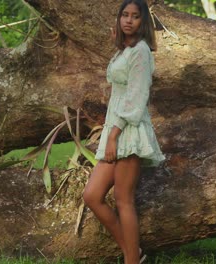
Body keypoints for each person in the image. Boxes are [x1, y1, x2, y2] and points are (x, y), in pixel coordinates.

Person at [83, 0, 165, 263]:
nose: (129, 20)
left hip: (128, 130)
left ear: (143, 22)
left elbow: (136, 97)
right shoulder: (126, 50)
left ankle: (131, 260)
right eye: (125, 15)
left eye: (135, 16)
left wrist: (114, 136)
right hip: (114, 127)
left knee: (123, 199)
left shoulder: (141, 51)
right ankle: (135, 255)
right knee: (92, 195)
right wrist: (119, 46)